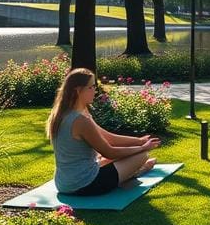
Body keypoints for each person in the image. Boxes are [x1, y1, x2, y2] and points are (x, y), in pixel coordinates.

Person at [46, 68, 160, 196]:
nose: (95, 90)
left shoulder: (65, 114)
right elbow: (109, 152)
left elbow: (108, 137)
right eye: (92, 87)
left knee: (104, 158)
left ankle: (131, 171)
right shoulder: (81, 120)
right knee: (142, 155)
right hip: (86, 184)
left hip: (63, 184)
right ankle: (140, 170)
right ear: (78, 90)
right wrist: (142, 147)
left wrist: (139, 141)